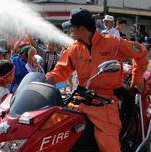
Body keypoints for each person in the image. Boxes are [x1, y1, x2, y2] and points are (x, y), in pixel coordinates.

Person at [46, 8, 148, 152]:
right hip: (79, 100)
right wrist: (44, 81)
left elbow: (141, 53)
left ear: (82, 28)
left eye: (72, 28)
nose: (71, 32)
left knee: (109, 145)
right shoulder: (74, 48)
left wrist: (137, 78)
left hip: (105, 101)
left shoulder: (114, 43)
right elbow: (61, 70)